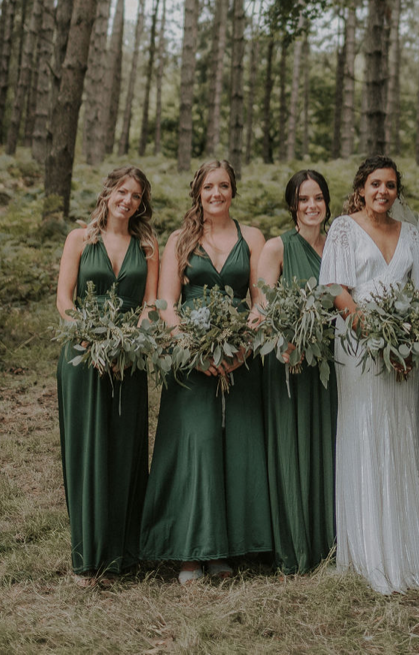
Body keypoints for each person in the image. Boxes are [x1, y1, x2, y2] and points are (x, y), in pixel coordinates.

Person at [140, 159, 271, 583]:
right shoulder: (180, 239)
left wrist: (242, 347)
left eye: (224, 186)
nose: (217, 193)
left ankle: (225, 550)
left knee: (236, 445)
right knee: (196, 445)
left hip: (240, 355)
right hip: (190, 359)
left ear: (233, 190)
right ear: (198, 192)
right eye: (209, 186)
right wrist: (195, 352)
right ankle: (190, 552)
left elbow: (260, 301)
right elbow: (167, 305)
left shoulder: (252, 237)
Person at [319, 155, 419, 595]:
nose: (382, 192)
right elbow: (336, 288)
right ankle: (368, 548)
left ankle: (404, 547)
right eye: (375, 184)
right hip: (357, 345)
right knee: (364, 429)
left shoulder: (413, 233)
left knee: (400, 430)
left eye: (390, 185)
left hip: (404, 349)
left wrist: (407, 343)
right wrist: (376, 338)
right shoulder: (343, 229)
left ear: (396, 191)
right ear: (361, 188)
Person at [56, 165, 159, 585]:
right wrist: (89, 335)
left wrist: (131, 342)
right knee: (87, 450)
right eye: (122, 191)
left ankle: (122, 554)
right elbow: (64, 300)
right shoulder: (80, 239)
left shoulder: (147, 245)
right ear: (108, 193)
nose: (127, 201)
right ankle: (88, 556)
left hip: (128, 359)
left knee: (123, 449)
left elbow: (150, 304)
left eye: (135, 195)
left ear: (141, 203)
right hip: (83, 355)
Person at [256, 169, 337, 574]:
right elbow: (261, 308)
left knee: (328, 446)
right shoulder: (277, 248)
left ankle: (331, 541)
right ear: (292, 204)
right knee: (292, 448)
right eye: (303, 199)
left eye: (318, 197)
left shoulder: (338, 246)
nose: (311, 205)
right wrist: (285, 342)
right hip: (288, 362)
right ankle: (295, 545)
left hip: (330, 364)